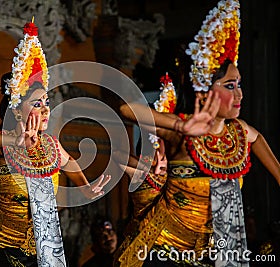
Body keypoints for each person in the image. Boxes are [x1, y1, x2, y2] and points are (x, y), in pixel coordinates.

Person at [116, 0, 280, 266]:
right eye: (229, 86)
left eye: (239, 84)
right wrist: (180, 125)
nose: (239, 94)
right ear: (205, 91)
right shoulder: (182, 131)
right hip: (164, 252)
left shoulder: (240, 132)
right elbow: (126, 109)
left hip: (213, 253)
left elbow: (259, 139)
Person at [0, 20, 111, 267]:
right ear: (18, 111)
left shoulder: (51, 145)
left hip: (42, 249)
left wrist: (84, 187)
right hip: (3, 251)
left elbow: (70, 161)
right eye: (37, 104)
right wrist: (12, 139)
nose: (45, 111)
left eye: (47, 103)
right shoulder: (3, 144)